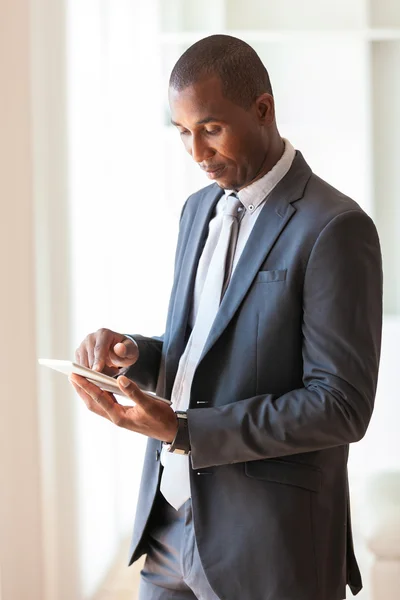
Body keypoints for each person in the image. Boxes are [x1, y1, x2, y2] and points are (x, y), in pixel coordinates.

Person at [71, 35, 383, 600]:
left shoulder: (334, 227)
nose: (197, 152)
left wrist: (184, 430)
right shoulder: (198, 210)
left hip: (270, 546)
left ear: (263, 109)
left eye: (211, 128)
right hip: (169, 529)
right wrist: (135, 355)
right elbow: (204, 352)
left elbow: (340, 406)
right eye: (183, 133)